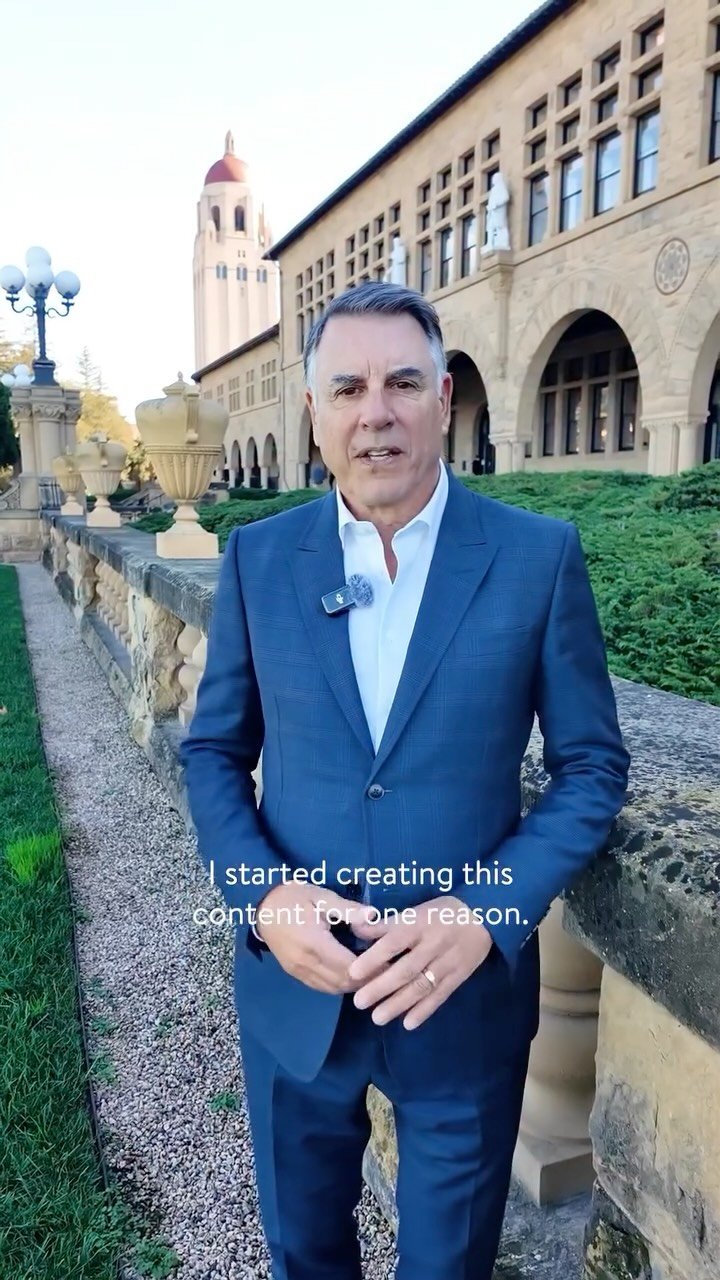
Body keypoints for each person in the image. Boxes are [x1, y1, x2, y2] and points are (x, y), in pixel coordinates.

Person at [180, 281, 630, 1280]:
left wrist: (487, 910)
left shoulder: (538, 557)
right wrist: (264, 898)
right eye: (347, 388)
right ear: (314, 412)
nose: (374, 412)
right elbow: (211, 751)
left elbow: (593, 765)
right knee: (303, 1252)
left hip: (463, 1001)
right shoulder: (258, 559)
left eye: (403, 383)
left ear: (444, 395)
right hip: (295, 988)